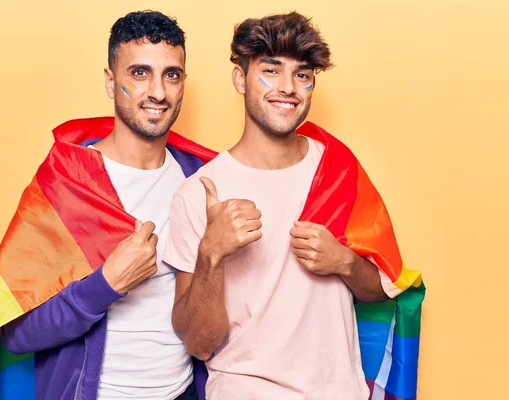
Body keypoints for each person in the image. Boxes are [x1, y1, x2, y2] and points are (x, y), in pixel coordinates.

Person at [0, 10, 215, 400]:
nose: (158, 91)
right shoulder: (68, 182)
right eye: (139, 73)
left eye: (171, 75)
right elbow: (18, 334)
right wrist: (105, 285)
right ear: (111, 81)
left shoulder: (201, 179)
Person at [163, 12, 423, 399]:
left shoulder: (336, 169)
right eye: (271, 70)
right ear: (240, 78)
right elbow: (199, 343)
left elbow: (383, 289)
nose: (288, 88)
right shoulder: (199, 192)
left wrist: (344, 262)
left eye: (302, 75)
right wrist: (211, 254)